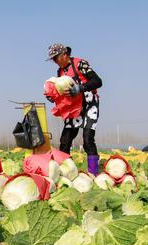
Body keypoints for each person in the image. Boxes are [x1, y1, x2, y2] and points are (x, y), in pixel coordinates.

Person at [46, 43, 103, 175]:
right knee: (65, 140)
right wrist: (53, 96)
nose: (54, 61)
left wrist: (80, 88)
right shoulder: (60, 72)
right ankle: (65, 173)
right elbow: (62, 91)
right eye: (53, 59)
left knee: (87, 139)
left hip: (89, 103)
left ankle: (93, 173)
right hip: (73, 107)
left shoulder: (80, 64)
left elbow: (98, 81)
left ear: (65, 55)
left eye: (56, 58)